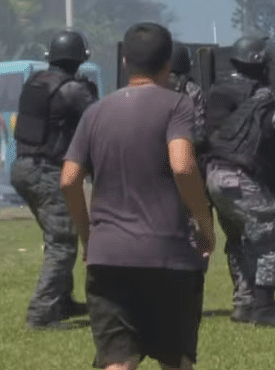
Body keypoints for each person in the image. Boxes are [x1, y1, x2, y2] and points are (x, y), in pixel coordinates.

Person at [62, 22, 214, 370]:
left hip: (108, 254)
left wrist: (89, 236)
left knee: (117, 361)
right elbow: (183, 167)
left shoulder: (94, 113)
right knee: (176, 359)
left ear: (126, 61)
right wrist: (205, 224)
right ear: (167, 64)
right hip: (168, 252)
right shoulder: (177, 105)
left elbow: (69, 180)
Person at [205, 71, 275, 326]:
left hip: (215, 176)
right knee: (273, 240)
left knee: (240, 241)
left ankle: (245, 303)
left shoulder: (253, 104)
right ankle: (264, 308)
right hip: (240, 178)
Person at [10, 29, 98, 330]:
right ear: (80, 58)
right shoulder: (73, 90)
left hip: (22, 167)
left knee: (57, 235)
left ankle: (61, 301)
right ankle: (41, 315)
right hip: (45, 170)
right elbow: (96, 119)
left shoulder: (35, 82)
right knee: (62, 241)